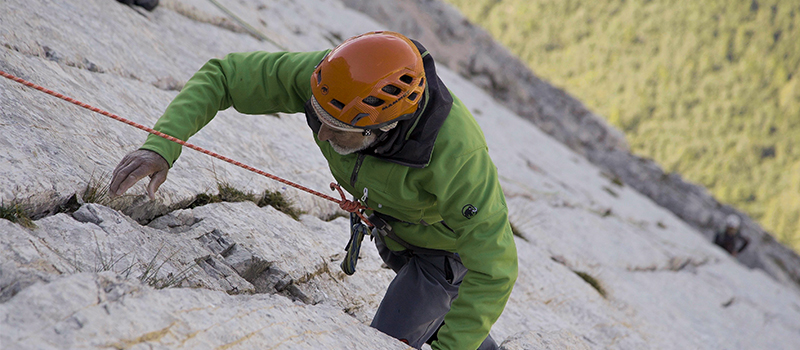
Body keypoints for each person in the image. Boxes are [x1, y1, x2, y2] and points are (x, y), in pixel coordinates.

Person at [109, 31, 518, 350]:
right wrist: (162, 145)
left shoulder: (457, 155)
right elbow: (226, 75)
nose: (322, 132)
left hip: (442, 256)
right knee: (444, 319)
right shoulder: (338, 80)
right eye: (317, 116)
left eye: (338, 130)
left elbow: (495, 266)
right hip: (396, 233)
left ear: (384, 129)